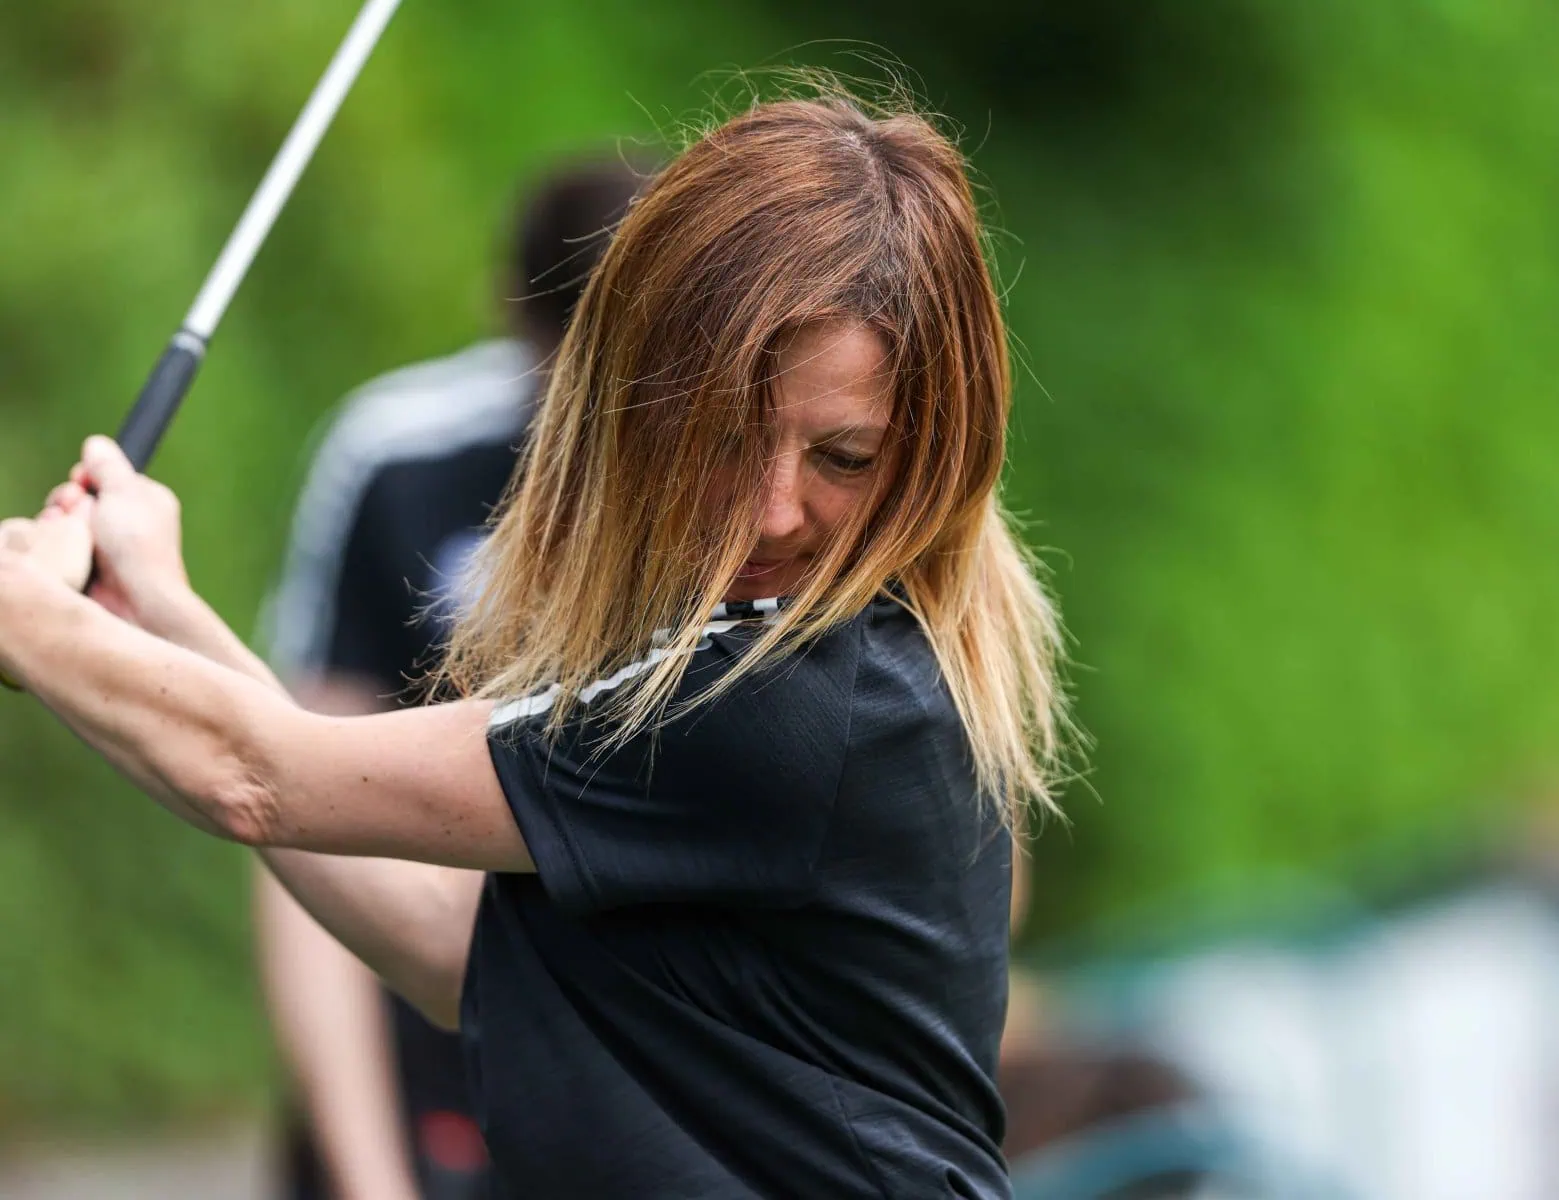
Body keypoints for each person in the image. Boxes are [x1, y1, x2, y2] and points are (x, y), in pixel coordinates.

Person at [0, 91, 1070, 1198]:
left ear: (929, 454)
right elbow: (453, 950)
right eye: (727, 436)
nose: (772, 511)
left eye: (841, 457)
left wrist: (30, 619)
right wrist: (157, 612)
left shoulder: (797, 699)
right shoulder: (781, 678)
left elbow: (257, 777)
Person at [257, 160, 641, 1200]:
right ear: (513, 316)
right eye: (569, 358)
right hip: (411, 1021)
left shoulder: (757, 492)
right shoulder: (397, 456)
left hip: (634, 1062)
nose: (593, 413)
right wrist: (370, 1177)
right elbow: (289, 792)